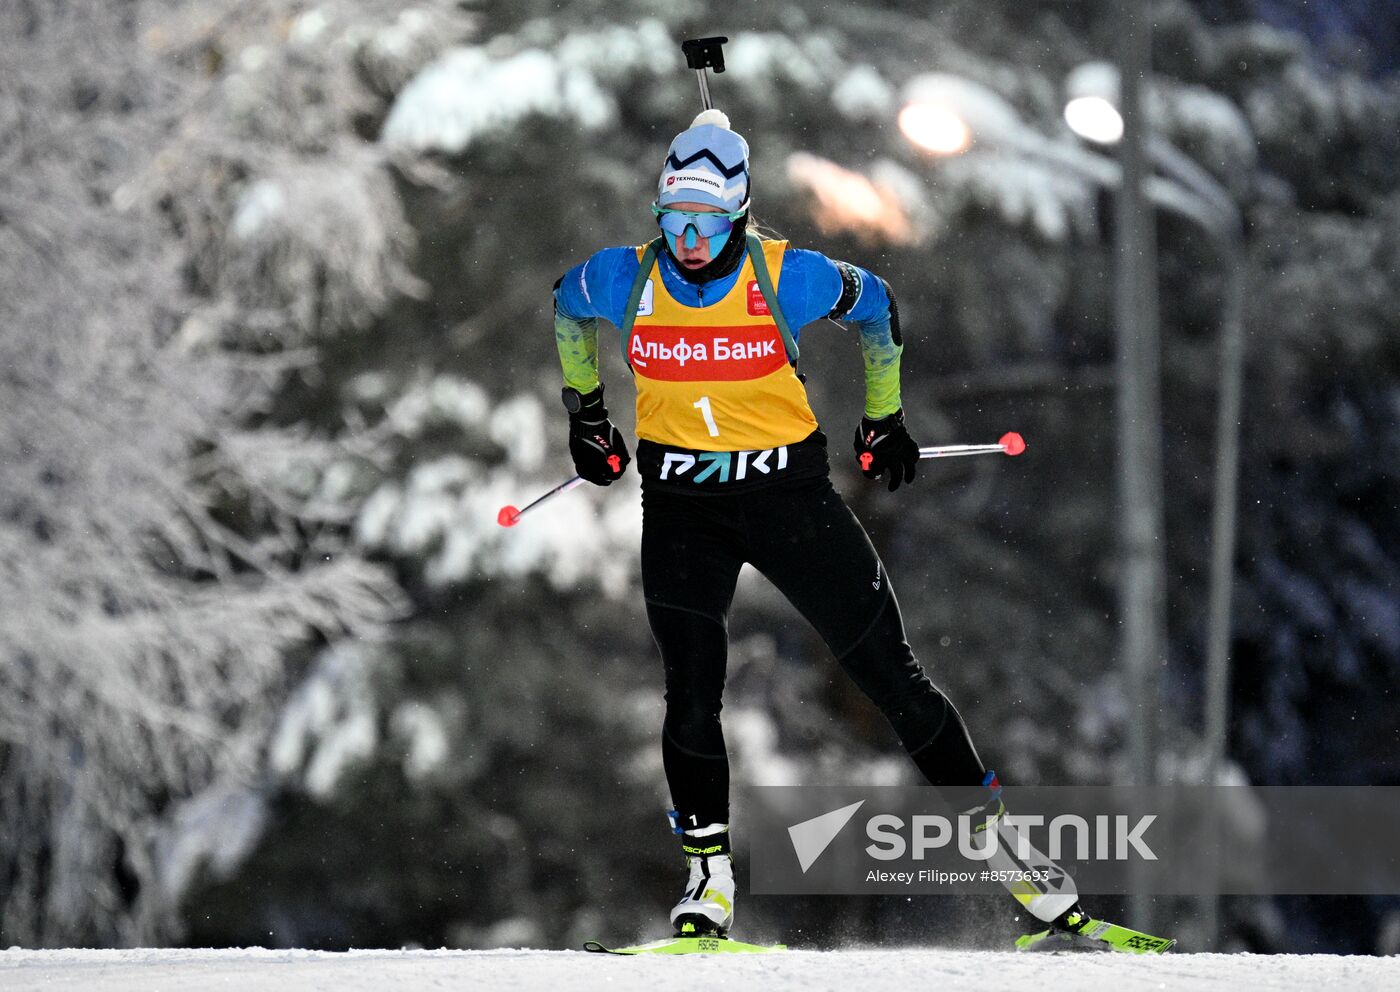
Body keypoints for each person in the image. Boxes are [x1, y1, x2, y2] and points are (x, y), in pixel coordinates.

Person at [552, 109, 1082, 941]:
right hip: (684, 508)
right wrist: (585, 417)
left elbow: (878, 311)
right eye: (674, 220)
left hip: (788, 500)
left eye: (707, 221)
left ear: (738, 212)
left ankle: (1005, 849)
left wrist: (884, 420)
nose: (689, 239)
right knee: (691, 696)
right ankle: (707, 881)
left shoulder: (786, 276)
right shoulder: (625, 278)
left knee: (891, 677)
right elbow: (565, 308)